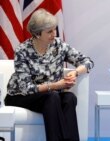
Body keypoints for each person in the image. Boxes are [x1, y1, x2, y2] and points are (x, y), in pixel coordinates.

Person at [4, 8, 94, 141]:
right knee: (52, 97)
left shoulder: (59, 45)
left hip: (50, 95)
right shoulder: (22, 51)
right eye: (49, 31)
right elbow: (26, 88)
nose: (54, 34)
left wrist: (75, 72)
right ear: (37, 34)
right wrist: (56, 85)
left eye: (55, 29)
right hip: (21, 96)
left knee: (69, 98)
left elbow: (87, 62)